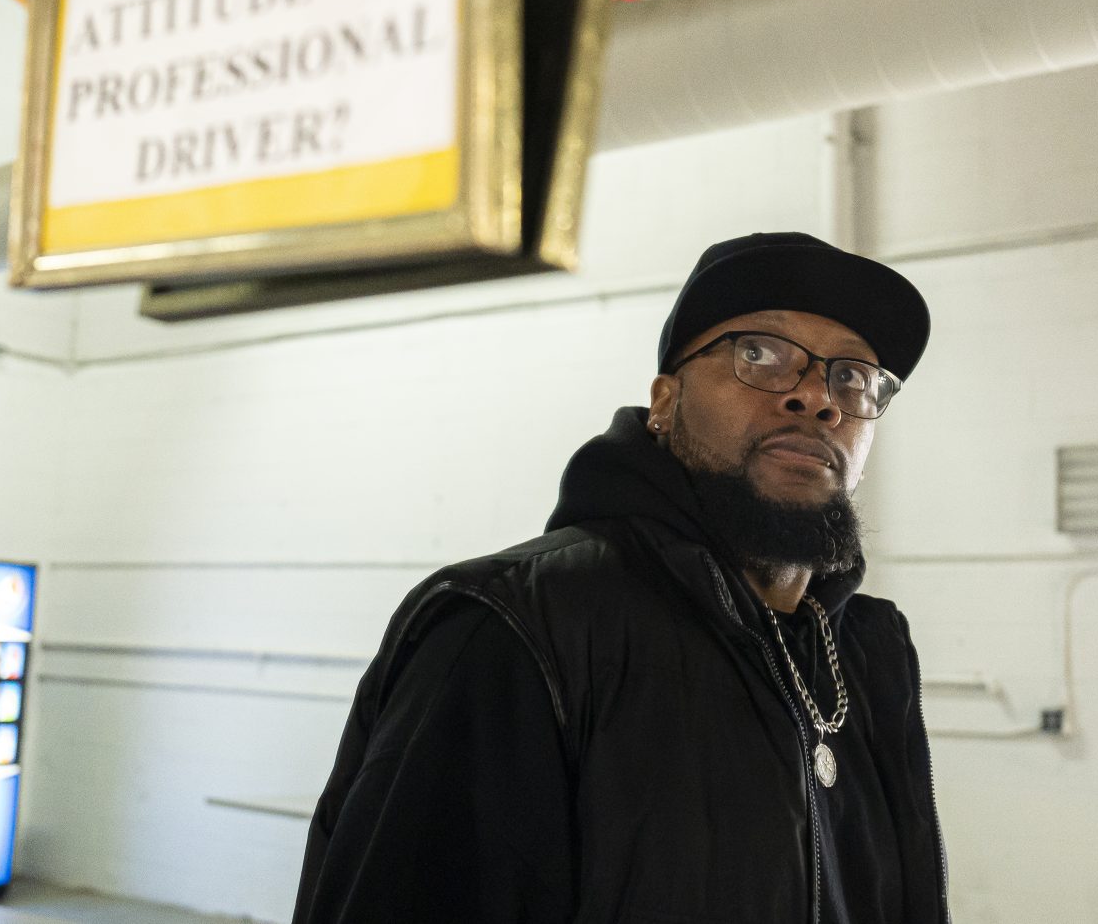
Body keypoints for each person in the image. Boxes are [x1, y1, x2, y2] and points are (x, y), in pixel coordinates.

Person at [292, 232, 949, 924]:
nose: (818, 396)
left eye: (852, 377)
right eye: (760, 354)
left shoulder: (868, 656)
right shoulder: (516, 623)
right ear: (664, 402)